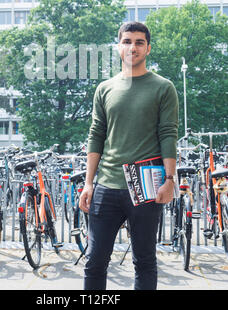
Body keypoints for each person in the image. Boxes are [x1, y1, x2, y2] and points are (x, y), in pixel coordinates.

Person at [79, 21, 178, 290]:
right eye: (127, 41)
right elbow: (96, 135)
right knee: (95, 260)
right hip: (106, 185)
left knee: (144, 261)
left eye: (139, 42)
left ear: (147, 48)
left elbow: (168, 134)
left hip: (146, 190)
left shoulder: (163, 87)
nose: (132, 47)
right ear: (118, 46)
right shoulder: (105, 88)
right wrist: (89, 183)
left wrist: (170, 179)